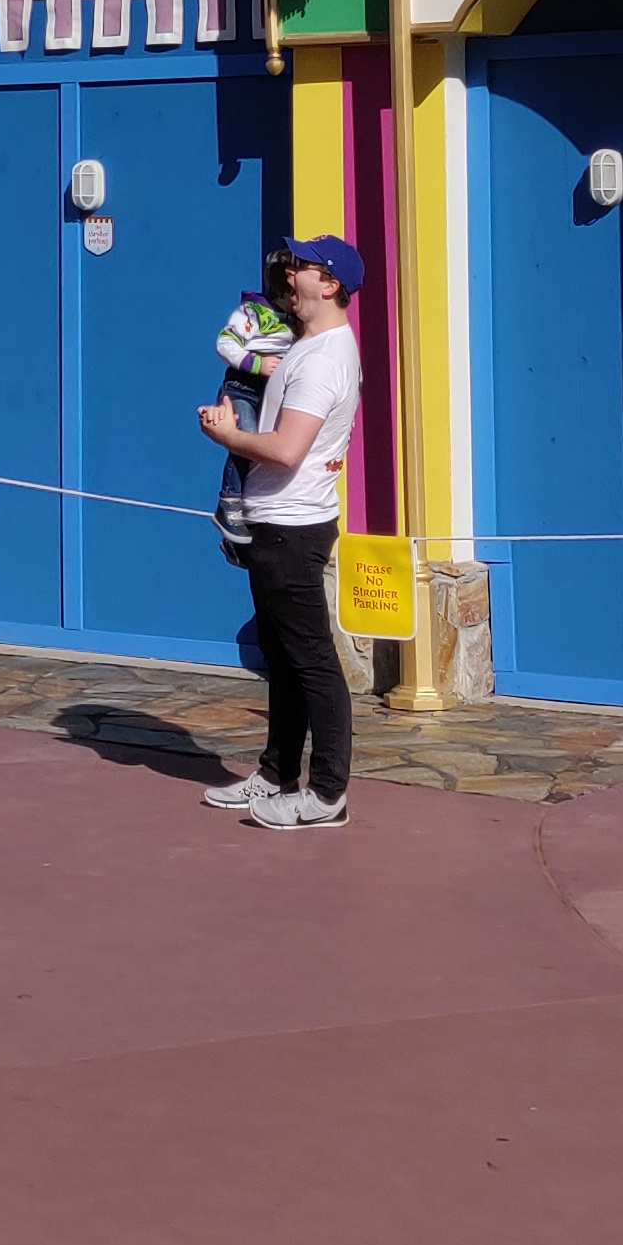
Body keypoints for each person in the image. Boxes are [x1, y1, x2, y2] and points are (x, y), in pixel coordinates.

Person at [195, 235, 367, 832]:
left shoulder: (323, 360)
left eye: (303, 267)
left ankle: (326, 796)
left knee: (312, 661)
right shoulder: (307, 346)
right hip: (278, 521)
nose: (289, 273)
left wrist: (226, 438)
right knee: (285, 658)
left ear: (331, 285)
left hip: (293, 528)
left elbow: (287, 449)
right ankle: (275, 774)